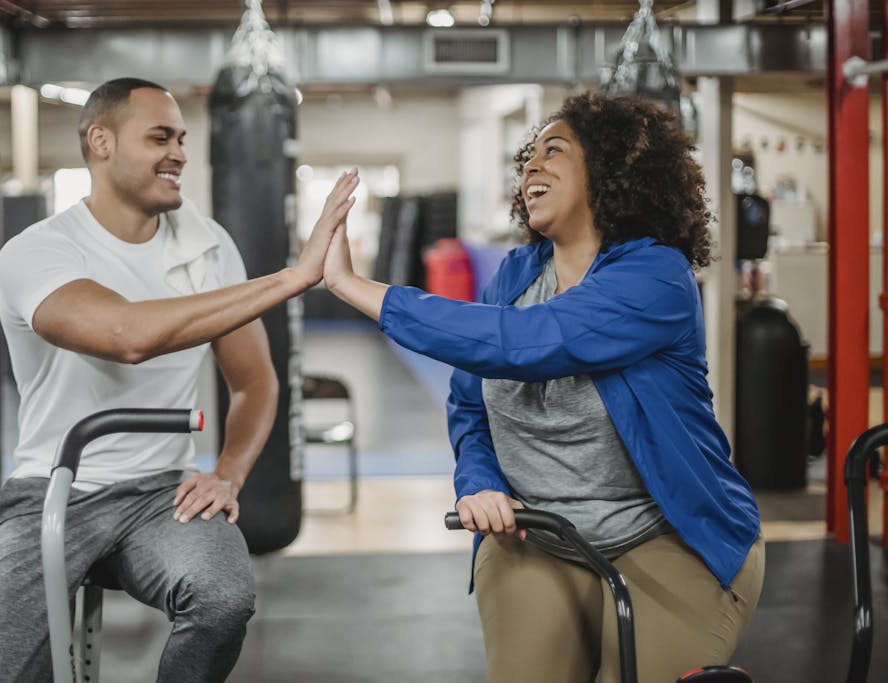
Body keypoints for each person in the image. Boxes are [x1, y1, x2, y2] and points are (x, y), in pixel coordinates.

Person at [321, 91, 764, 683]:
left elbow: (525, 342)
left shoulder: (657, 277)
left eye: (554, 151)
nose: (531, 164)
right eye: (528, 155)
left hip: (669, 536)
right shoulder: (516, 273)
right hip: (538, 536)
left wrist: (356, 289)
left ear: (610, 172)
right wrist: (477, 481)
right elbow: (469, 402)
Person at [0, 77, 358, 682]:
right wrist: (292, 277)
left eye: (181, 138)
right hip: (53, 490)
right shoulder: (38, 251)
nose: (179, 153)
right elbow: (128, 336)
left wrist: (228, 474)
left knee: (223, 600)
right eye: (158, 137)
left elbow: (255, 383)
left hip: (161, 496)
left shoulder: (206, 248)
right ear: (101, 142)